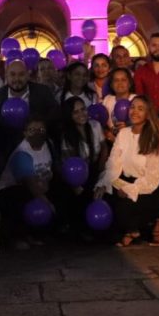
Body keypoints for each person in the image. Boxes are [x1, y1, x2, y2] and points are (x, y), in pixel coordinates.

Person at [94, 96, 159, 247]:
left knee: (123, 209)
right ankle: (131, 230)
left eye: (140, 109)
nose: (134, 112)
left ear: (147, 114)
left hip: (147, 187)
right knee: (102, 198)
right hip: (124, 181)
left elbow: (152, 177)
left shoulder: (152, 138)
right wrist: (104, 183)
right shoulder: (123, 133)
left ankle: (136, 228)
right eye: (132, 107)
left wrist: (130, 190)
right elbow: (113, 162)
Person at [0, 118, 56, 249]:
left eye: (41, 129)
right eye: (32, 130)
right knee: (23, 195)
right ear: (25, 133)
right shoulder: (22, 153)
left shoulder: (48, 145)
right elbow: (30, 183)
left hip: (40, 185)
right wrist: (48, 204)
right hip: (8, 191)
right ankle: (17, 237)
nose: (37, 133)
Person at [0, 60, 59, 164]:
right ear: (6, 75)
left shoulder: (43, 92)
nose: (17, 79)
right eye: (12, 74)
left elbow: (55, 118)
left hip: (40, 151)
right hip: (7, 155)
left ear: (28, 75)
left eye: (21, 74)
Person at [54, 97, 109, 237]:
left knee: (102, 193)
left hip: (95, 169)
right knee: (80, 196)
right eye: (75, 112)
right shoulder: (67, 135)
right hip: (76, 176)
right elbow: (68, 164)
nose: (81, 114)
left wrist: (101, 174)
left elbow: (104, 149)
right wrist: (75, 185)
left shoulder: (95, 125)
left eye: (83, 109)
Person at [102, 67, 135, 138]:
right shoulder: (107, 99)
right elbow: (103, 123)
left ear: (129, 83)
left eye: (123, 80)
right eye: (116, 80)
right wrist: (108, 134)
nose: (120, 83)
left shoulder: (136, 99)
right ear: (111, 84)